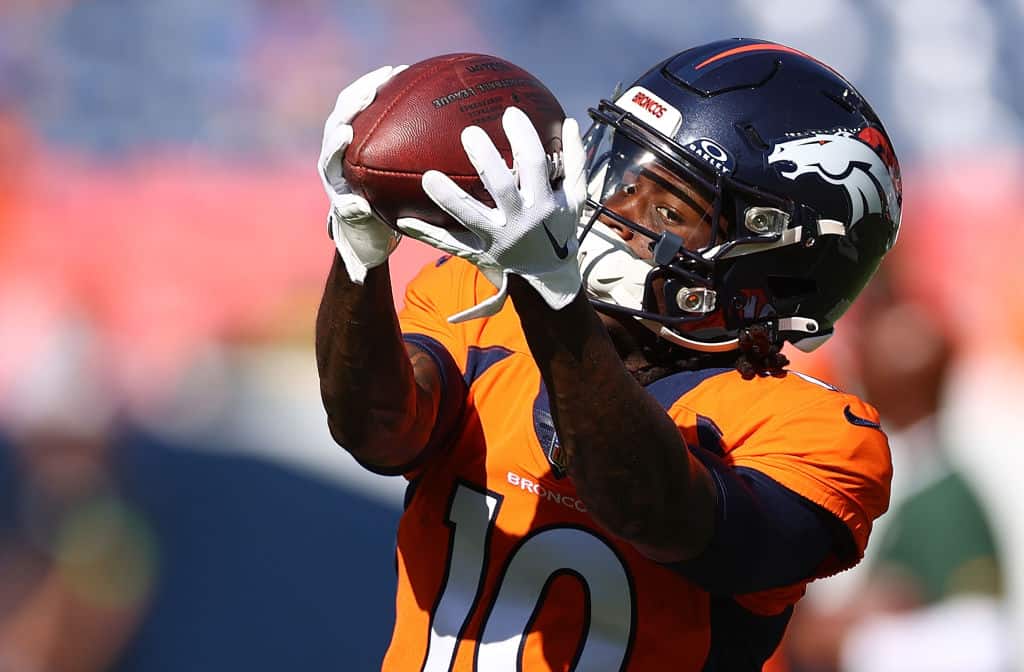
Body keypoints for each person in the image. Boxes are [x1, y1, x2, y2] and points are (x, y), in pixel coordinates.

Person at [315, 38, 901, 671]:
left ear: (779, 265)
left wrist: (551, 300)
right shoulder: (482, 307)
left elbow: (653, 511)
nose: (616, 211)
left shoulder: (820, 436)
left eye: (670, 208)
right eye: (623, 176)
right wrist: (359, 256)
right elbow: (377, 432)